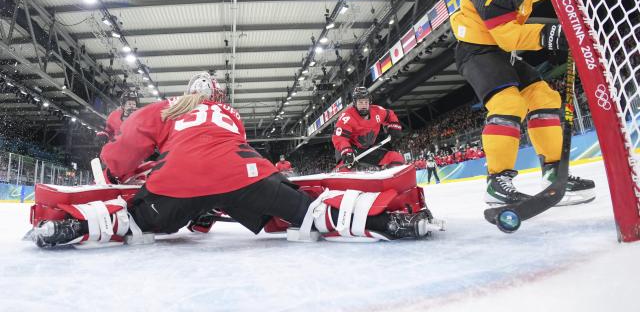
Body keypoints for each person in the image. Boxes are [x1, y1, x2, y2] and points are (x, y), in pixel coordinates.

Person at [33, 72, 435, 248]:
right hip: (244, 175)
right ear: (218, 95)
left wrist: (112, 167)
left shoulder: (171, 106)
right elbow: (222, 159)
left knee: (131, 220)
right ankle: (387, 221)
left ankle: (69, 228)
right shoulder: (230, 115)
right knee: (309, 211)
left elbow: (134, 137)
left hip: (177, 180)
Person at [450, 0, 595, 206]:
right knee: (508, 104)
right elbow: (509, 37)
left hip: (499, 51)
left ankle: (555, 172)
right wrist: (554, 34)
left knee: (544, 96)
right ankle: (496, 182)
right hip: (476, 50)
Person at [331, 87, 405, 172]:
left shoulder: (377, 111)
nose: (363, 105)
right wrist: (346, 150)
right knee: (344, 170)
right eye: (360, 102)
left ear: (370, 102)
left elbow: (390, 115)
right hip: (350, 149)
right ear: (355, 103)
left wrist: (394, 126)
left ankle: (391, 182)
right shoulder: (347, 117)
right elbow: (340, 138)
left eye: (366, 102)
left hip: (368, 149)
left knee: (397, 158)